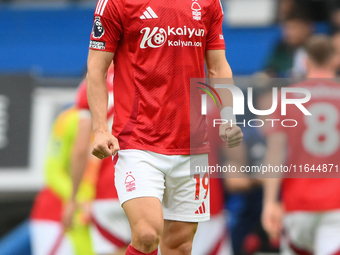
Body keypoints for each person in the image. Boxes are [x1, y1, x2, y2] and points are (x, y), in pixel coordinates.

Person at [86, 0, 244, 254]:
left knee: (180, 245)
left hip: (192, 144)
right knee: (147, 234)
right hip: (137, 142)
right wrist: (101, 129)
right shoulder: (116, 3)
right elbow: (96, 68)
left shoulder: (209, 3)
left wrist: (227, 115)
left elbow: (217, 65)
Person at [262, 35, 340, 255]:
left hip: (298, 202)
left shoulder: (287, 98)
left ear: (305, 62)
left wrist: (269, 203)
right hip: (337, 204)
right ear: (336, 60)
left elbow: (274, 155)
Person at [62, 65, 131, 255]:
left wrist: (73, 197)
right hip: (149, 185)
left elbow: (81, 148)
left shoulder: (90, 83)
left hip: (108, 187)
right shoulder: (147, 74)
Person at [30, 107, 98, 255]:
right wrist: (81, 200)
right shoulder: (69, 119)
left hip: (93, 219)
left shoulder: (121, 118)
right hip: (57, 215)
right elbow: (53, 172)